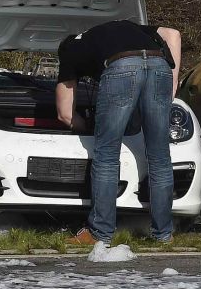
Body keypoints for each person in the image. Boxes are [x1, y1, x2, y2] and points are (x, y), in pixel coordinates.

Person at [55, 19, 182, 245]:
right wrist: (172, 85)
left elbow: (65, 114)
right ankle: (163, 235)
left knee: (106, 155)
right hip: (160, 65)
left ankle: (99, 234)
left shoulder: (69, 49)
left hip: (121, 68)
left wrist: (87, 126)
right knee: (160, 157)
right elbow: (173, 34)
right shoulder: (125, 26)